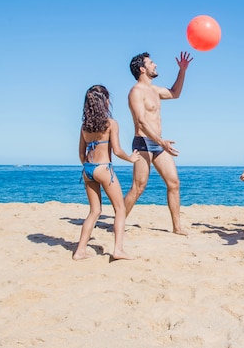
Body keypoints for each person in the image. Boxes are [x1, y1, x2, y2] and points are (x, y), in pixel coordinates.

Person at [124, 51, 193, 235]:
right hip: (143, 143)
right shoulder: (136, 92)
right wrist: (161, 141)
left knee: (174, 183)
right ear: (142, 69)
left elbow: (175, 93)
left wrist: (183, 70)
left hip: (159, 144)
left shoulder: (154, 90)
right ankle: (119, 222)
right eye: (151, 63)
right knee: (139, 187)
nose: (155, 65)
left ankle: (177, 227)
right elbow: (141, 122)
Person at [74, 85, 140, 261]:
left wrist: (89, 167)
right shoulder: (111, 123)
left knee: (94, 211)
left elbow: (81, 153)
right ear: (104, 101)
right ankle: (118, 249)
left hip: (87, 169)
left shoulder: (84, 126)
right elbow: (117, 151)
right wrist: (131, 158)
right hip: (104, 168)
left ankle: (80, 251)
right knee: (120, 209)